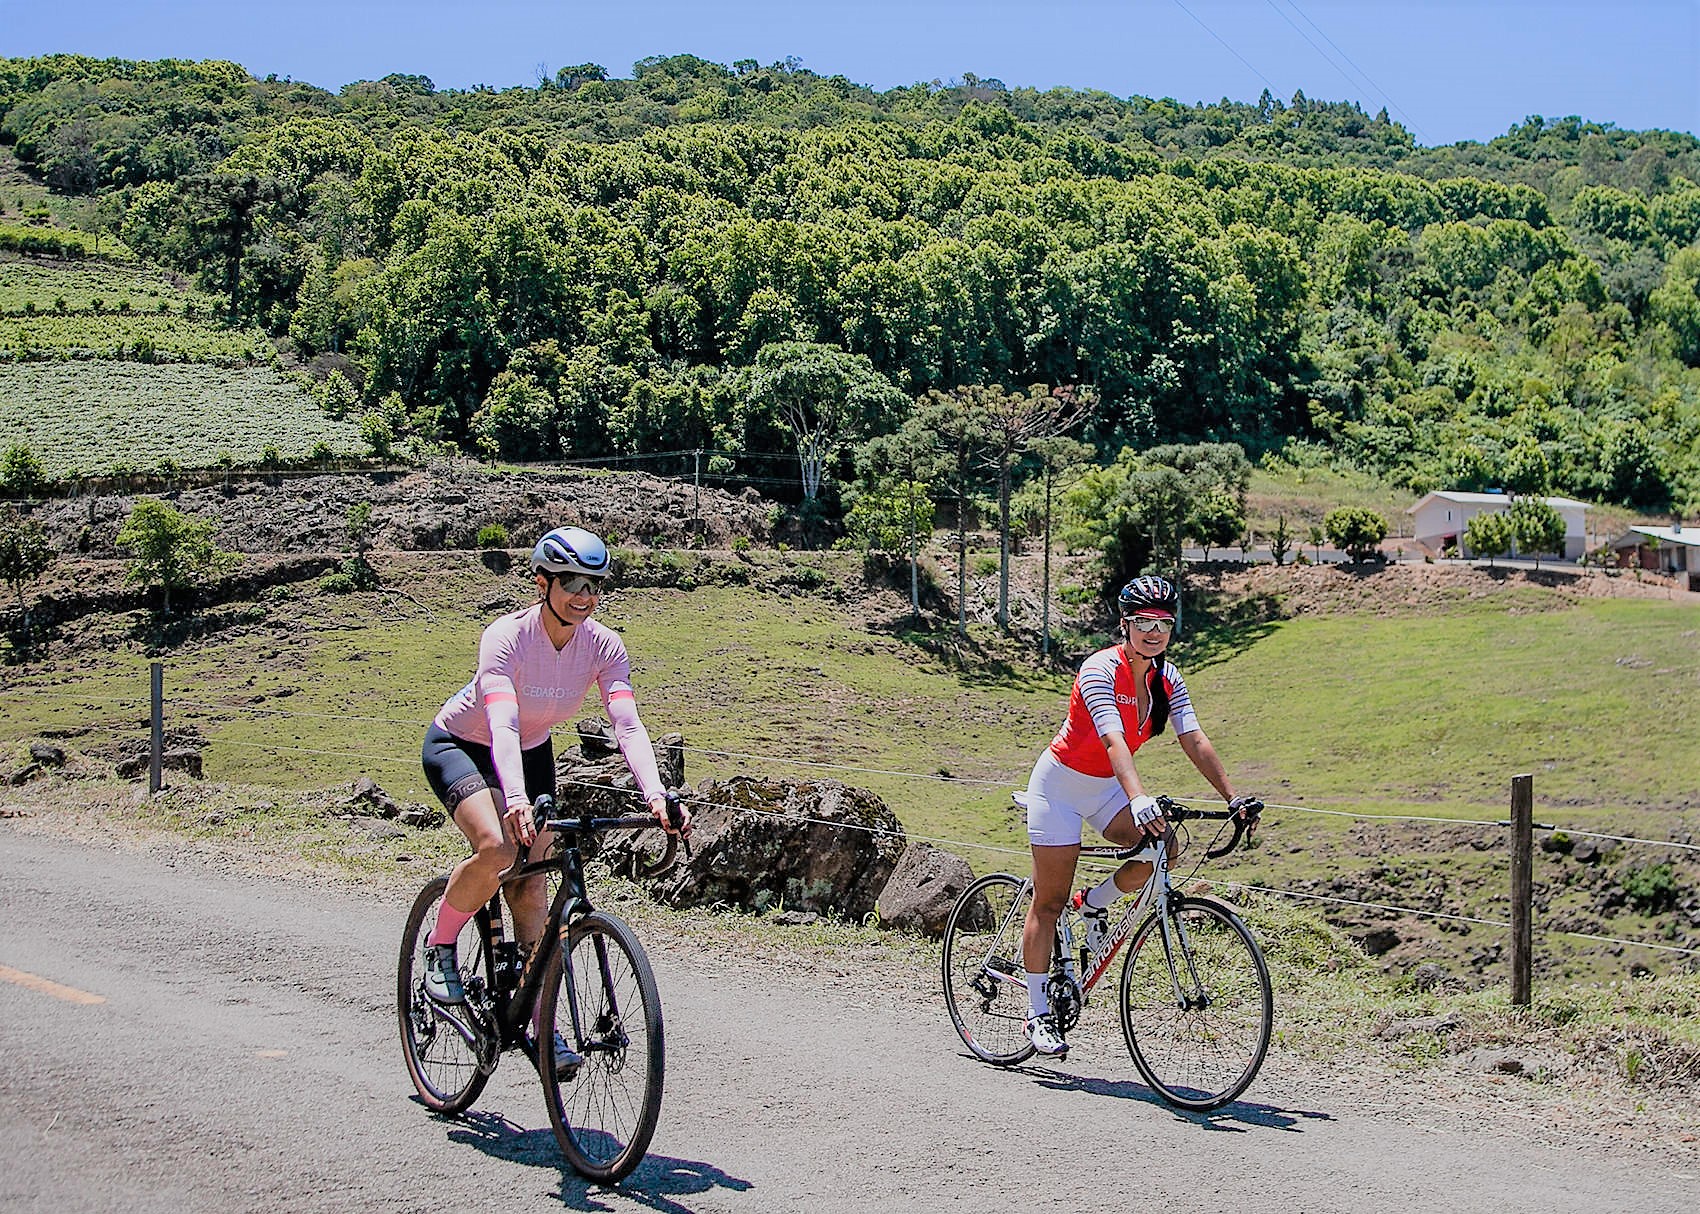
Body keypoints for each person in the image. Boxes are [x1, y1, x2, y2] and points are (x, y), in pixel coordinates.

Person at [417, 525, 689, 1071]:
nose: (584, 597)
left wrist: (657, 795)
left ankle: (541, 1026)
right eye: (571, 583)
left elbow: (627, 725)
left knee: (535, 884)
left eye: (594, 586)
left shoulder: (604, 646)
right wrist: (514, 797)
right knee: (497, 848)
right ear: (542, 582)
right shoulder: (506, 637)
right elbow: (501, 719)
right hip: (465, 745)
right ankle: (440, 946)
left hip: (533, 749)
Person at [1017, 574, 1255, 1058]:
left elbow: (1194, 738)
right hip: (1059, 788)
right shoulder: (1098, 669)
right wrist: (1140, 795)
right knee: (1049, 901)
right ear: (1125, 624)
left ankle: (1095, 902)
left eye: (1162, 623)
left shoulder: (1168, 678)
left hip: (1105, 789)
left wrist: (1234, 797)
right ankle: (1037, 1012)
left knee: (1161, 846)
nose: (1153, 632)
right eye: (1143, 622)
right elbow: (1112, 740)